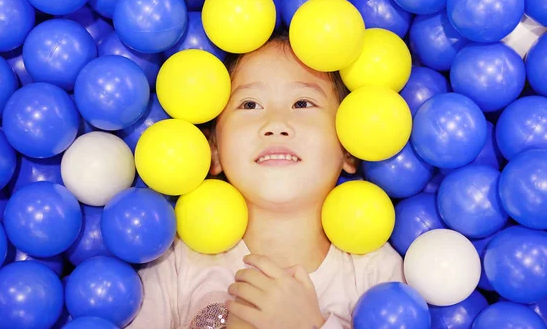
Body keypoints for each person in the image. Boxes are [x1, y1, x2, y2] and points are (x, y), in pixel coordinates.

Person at [128, 31, 404, 329]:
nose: (275, 124)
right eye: (249, 105)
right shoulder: (175, 260)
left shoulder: (375, 274)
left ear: (350, 147)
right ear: (214, 150)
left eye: (302, 103)